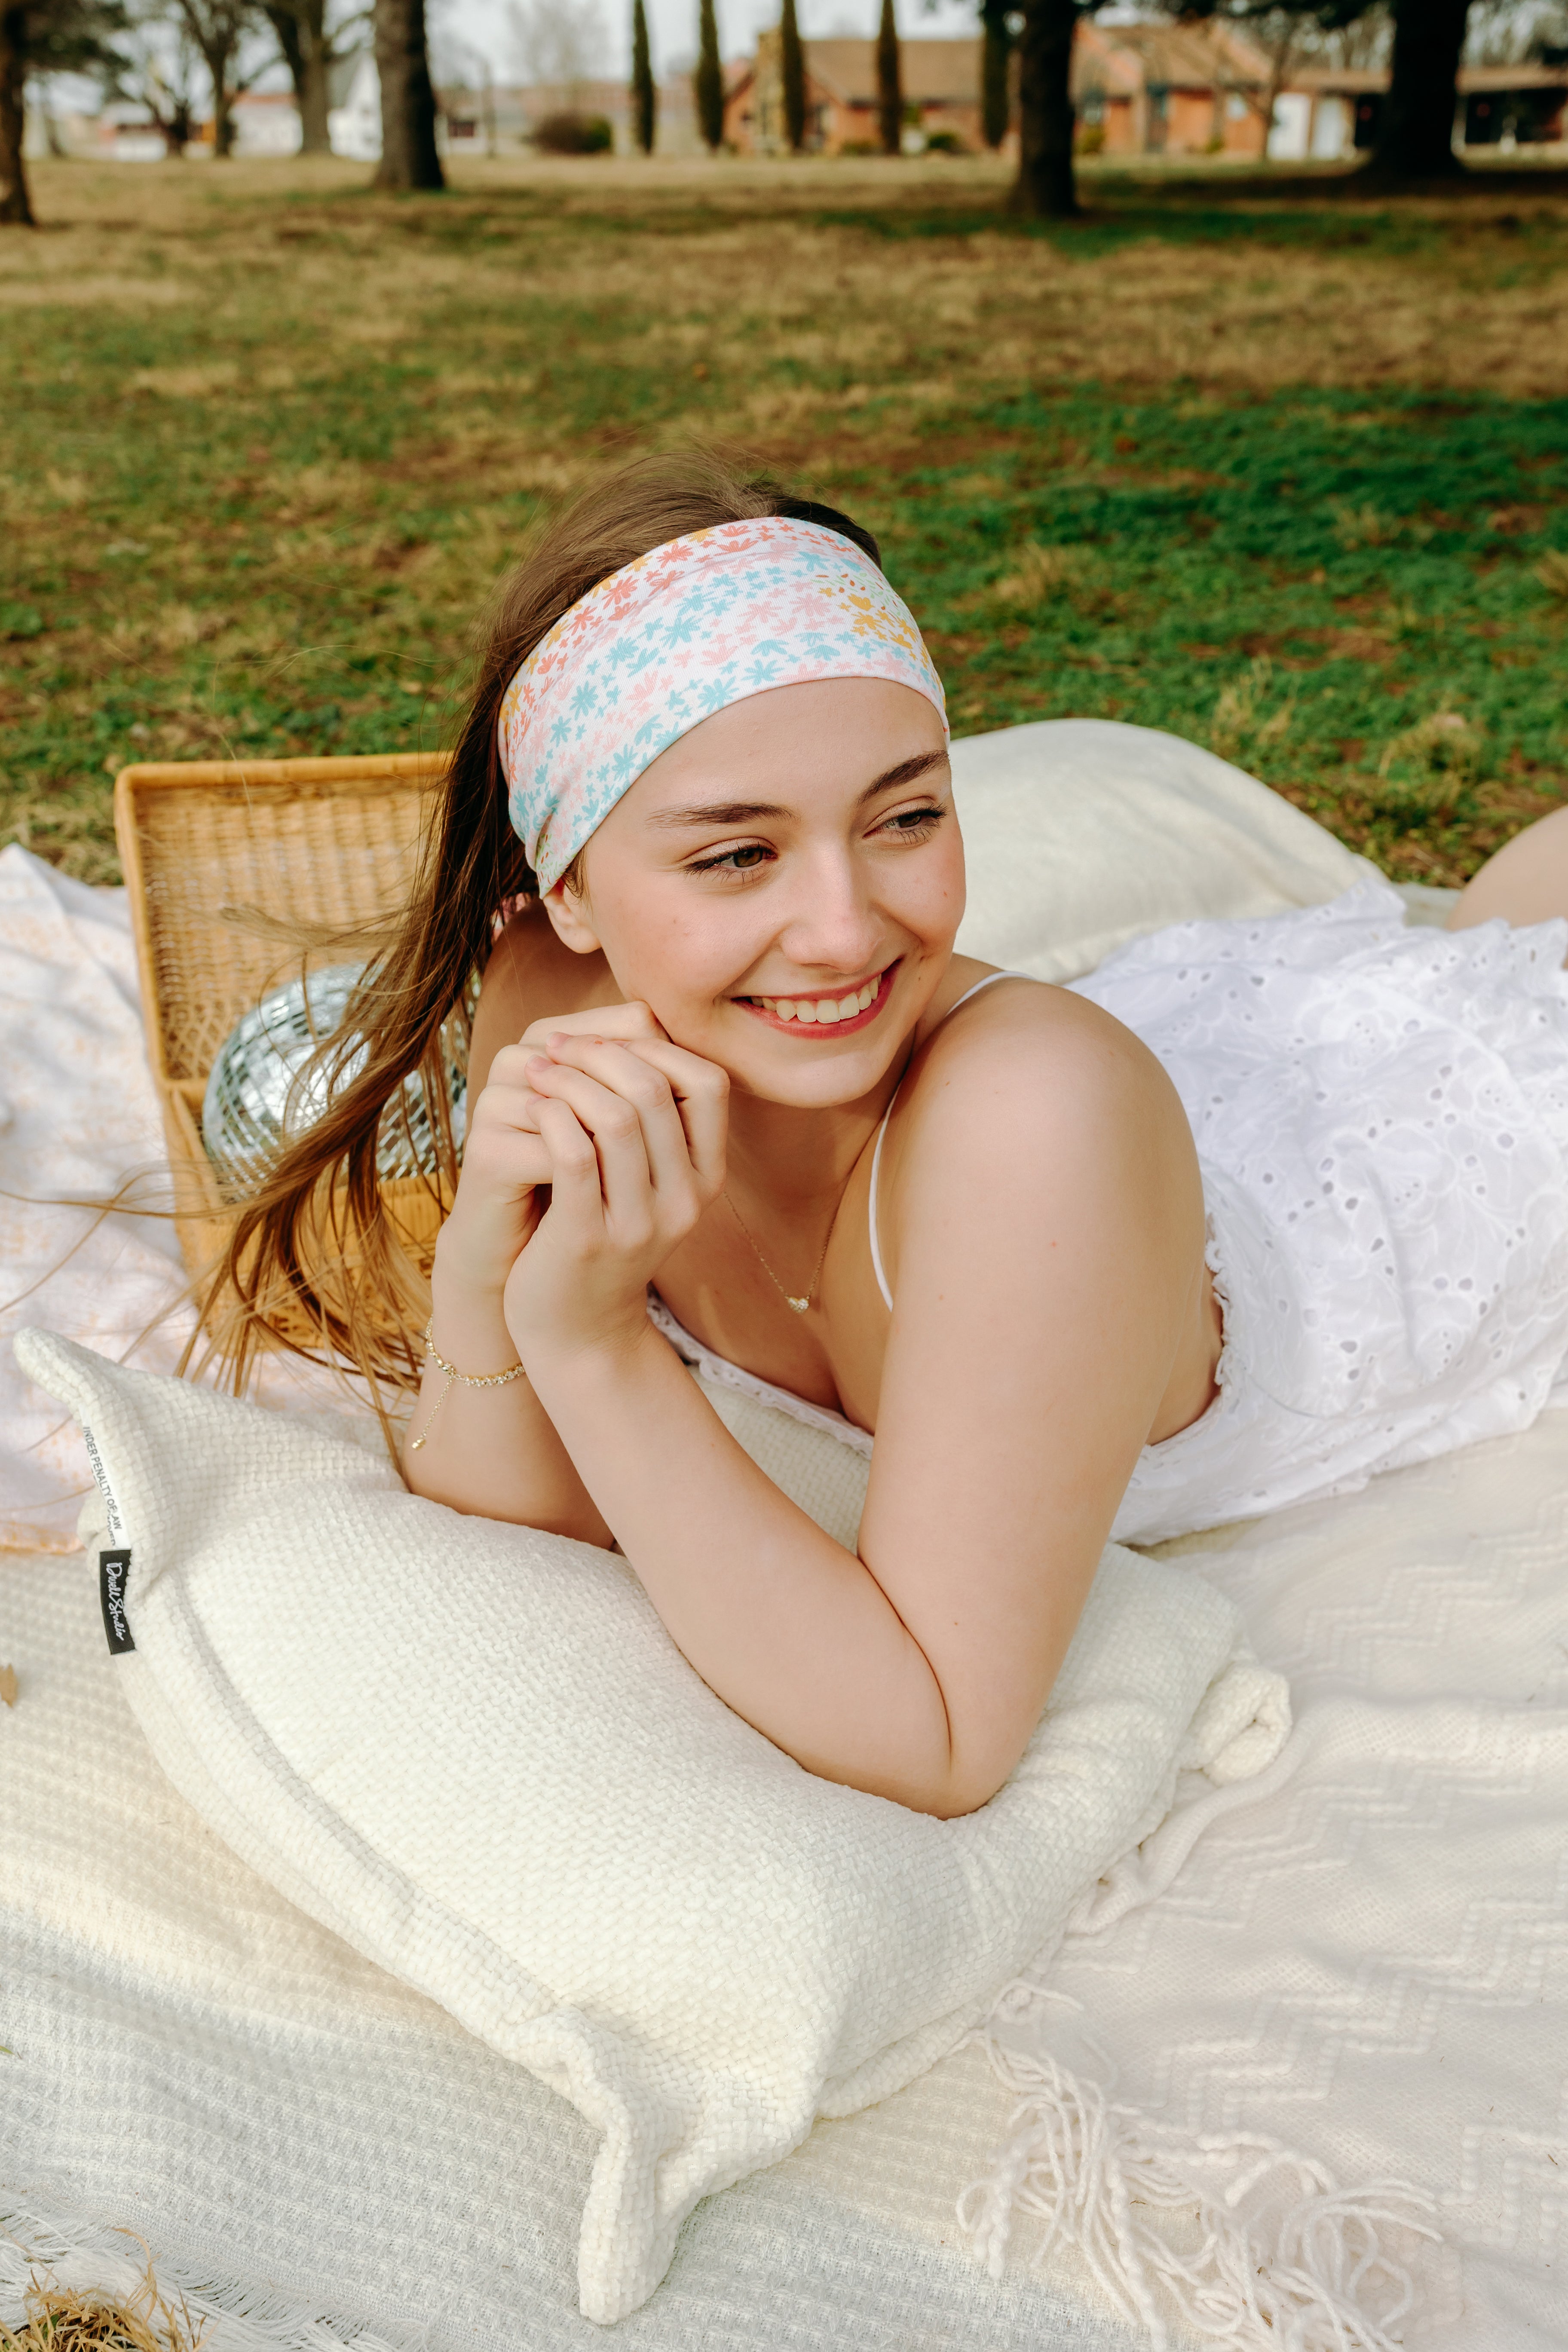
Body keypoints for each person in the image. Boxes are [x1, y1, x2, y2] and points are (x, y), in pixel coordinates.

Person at [219, 449, 1568, 1821]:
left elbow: (937, 1738)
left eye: (905, 818)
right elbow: (505, 1534)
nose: (846, 930)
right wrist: (484, 1271)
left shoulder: (1036, 1120)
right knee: (1479, 934)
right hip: (1172, 1118)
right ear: (569, 889)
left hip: (1434, 1161)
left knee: (1507, 984)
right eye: (737, 854)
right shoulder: (561, 999)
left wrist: (594, 1340)